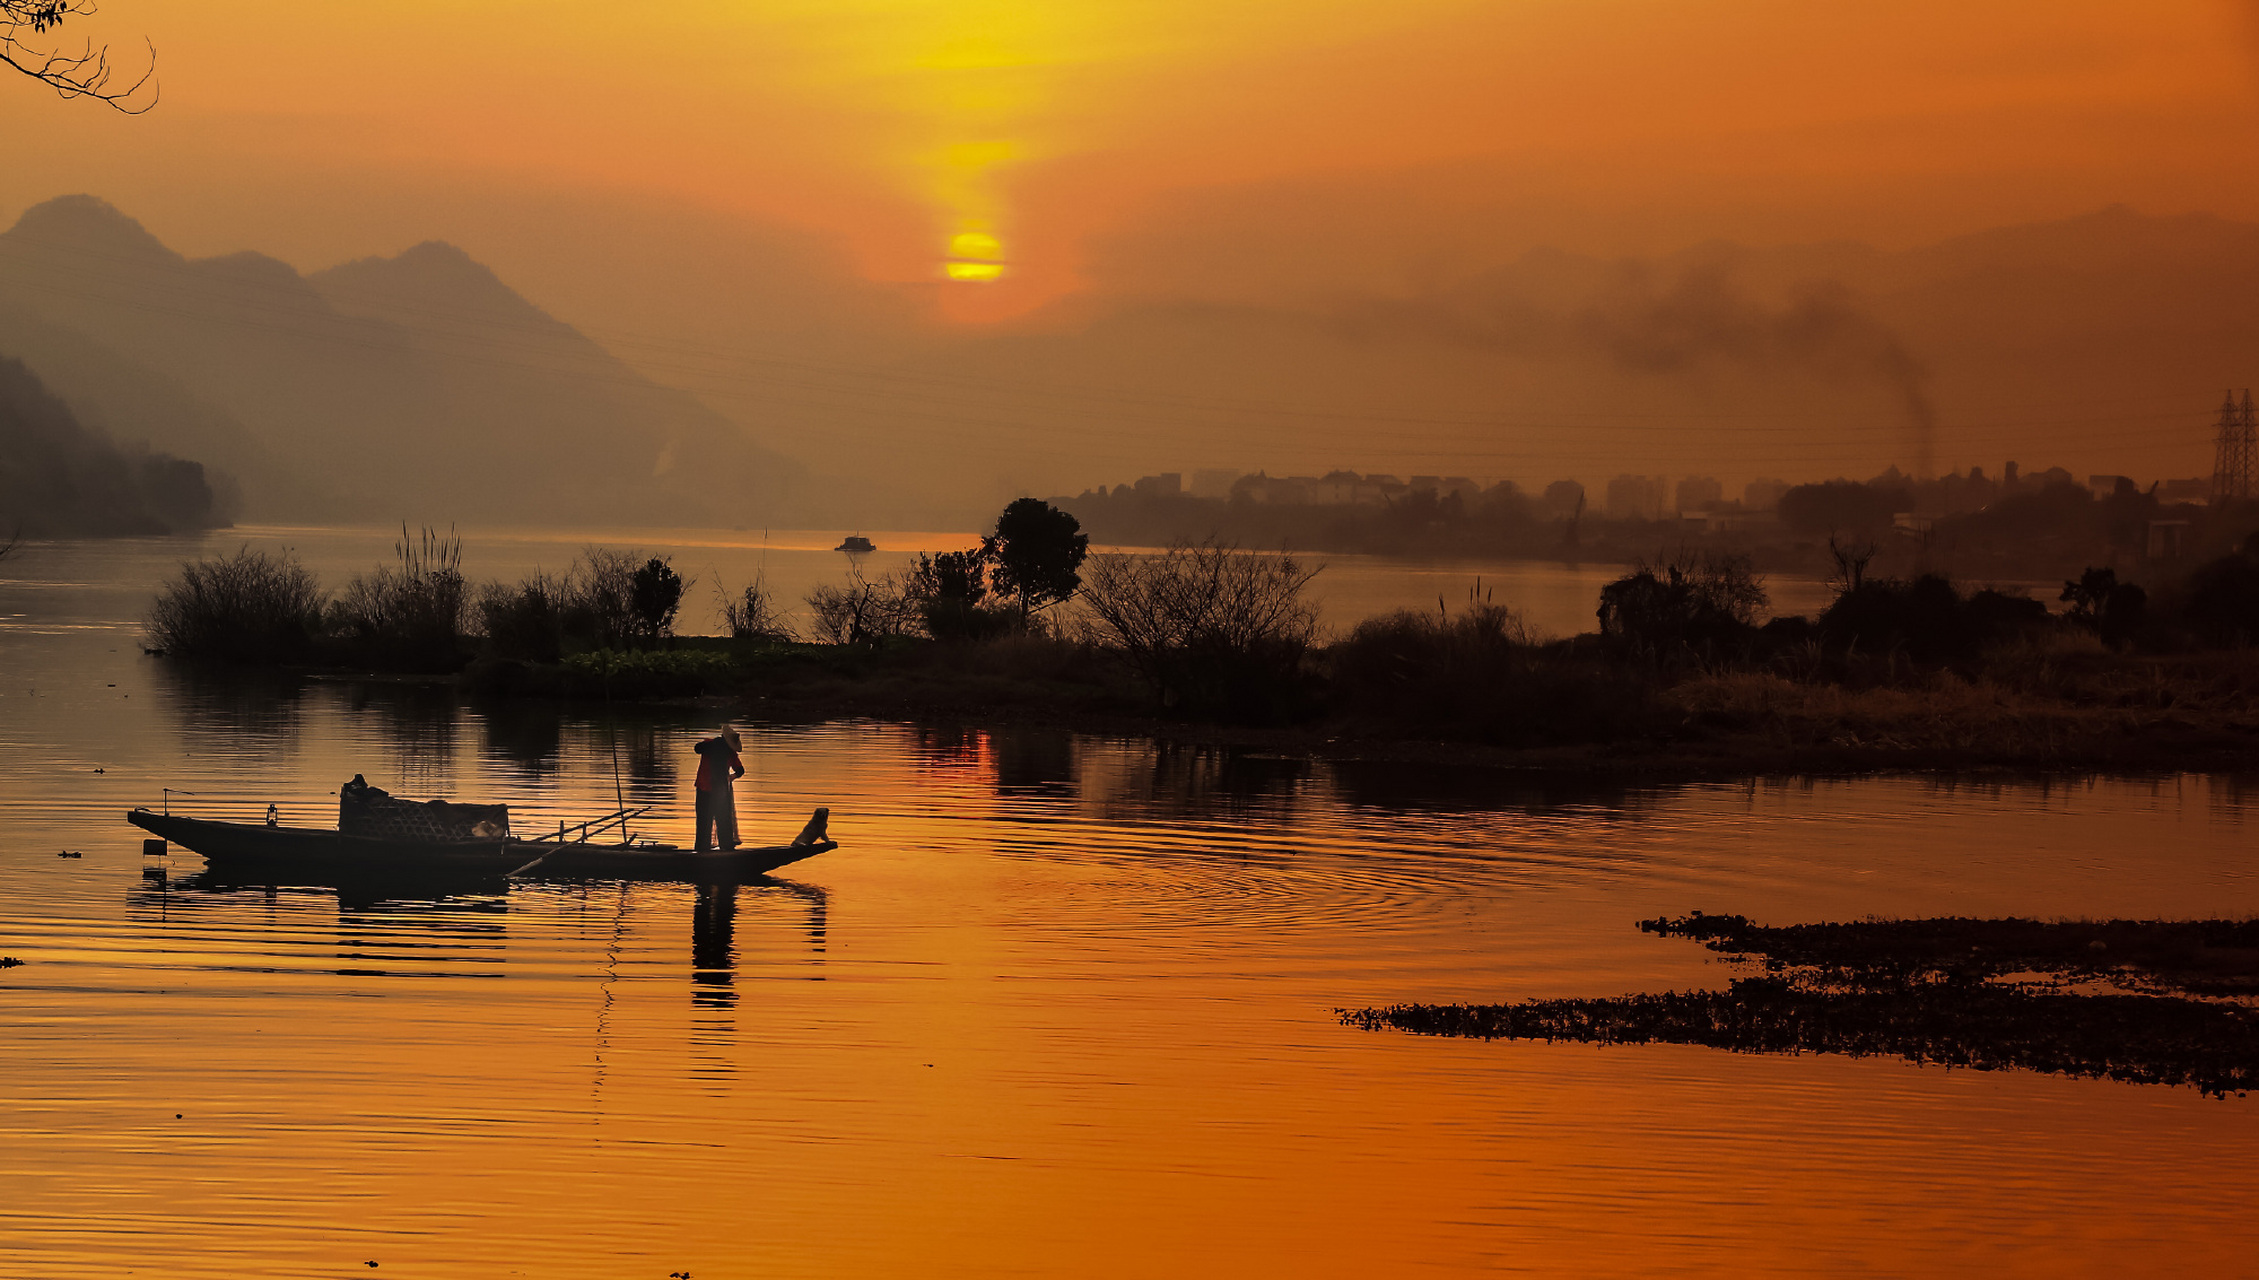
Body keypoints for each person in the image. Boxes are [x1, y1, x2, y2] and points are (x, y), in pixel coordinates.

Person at [692, 727, 746, 850]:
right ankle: (726, 849)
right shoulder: (728, 752)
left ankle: (702, 850)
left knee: (704, 822)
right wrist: (731, 777)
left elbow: (697, 748)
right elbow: (740, 770)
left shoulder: (709, 745)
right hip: (718, 791)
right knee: (723, 821)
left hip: (705, 789)